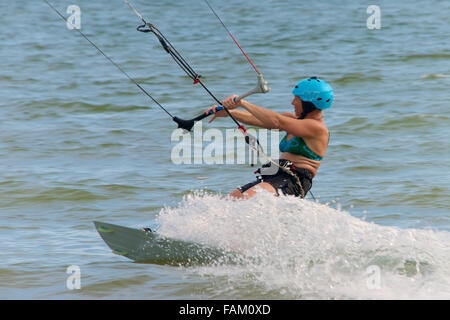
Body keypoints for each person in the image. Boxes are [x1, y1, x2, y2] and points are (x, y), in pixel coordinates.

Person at [205, 77, 333, 199]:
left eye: (296, 99)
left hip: (293, 180)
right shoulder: (294, 119)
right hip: (275, 174)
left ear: (309, 103)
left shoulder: (316, 127)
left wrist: (243, 103)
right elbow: (260, 120)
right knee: (231, 201)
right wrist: (230, 113)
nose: (292, 102)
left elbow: (277, 121)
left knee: (247, 200)